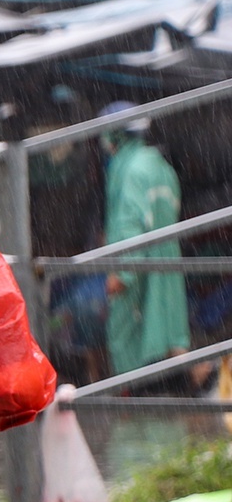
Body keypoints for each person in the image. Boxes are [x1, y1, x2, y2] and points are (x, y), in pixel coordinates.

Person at [98, 102, 190, 378]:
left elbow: (131, 223)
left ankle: (133, 396)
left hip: (137, 265)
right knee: (168, 329)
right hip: (166, 259)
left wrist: (123, 273)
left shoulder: (129, 170)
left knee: (128, 339)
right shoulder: (159, 165)